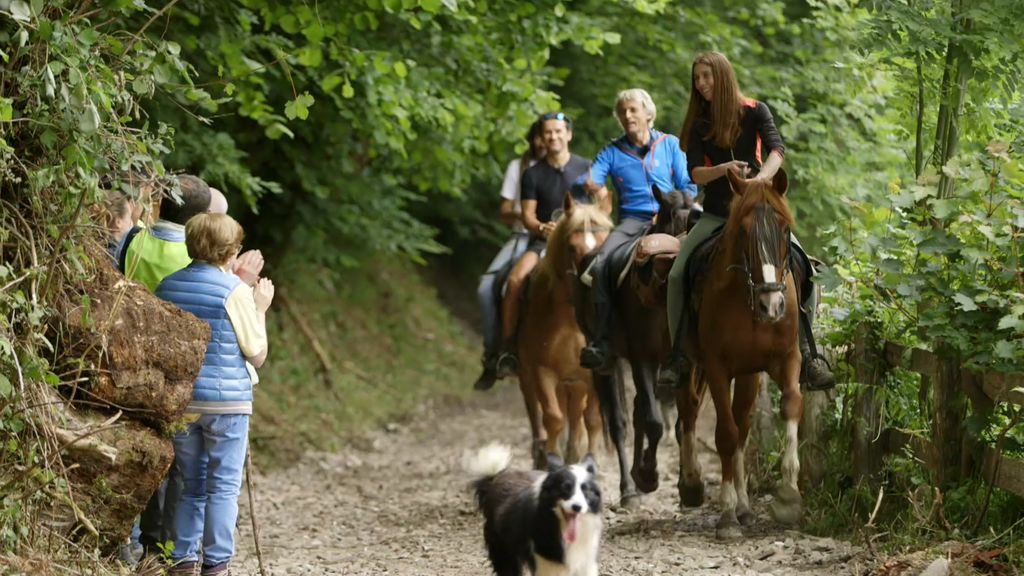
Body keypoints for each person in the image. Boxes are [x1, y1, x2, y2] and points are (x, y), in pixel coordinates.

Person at [665, 51, 834, 389]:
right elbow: (696, 174)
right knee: (676, 274)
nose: (700, 84)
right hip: (716, 215)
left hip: (759, 212)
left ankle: (808, 353)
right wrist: (725, 170)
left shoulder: (756, 111)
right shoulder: (698, 124)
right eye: (696, 78)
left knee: (805, 268)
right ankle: (679, 357)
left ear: (723, 77)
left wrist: (761, 180)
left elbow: (777, 150)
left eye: (706, 76)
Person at [155, 213, 274, 576]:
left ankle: (183, 559)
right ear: (231, 251)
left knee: (190, 482)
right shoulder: (234, 292)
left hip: (184, 400)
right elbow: (257, 353)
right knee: (222, 486)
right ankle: (217, 564)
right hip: (228, 403)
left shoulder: (167, 285)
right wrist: (260, 308)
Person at [578, 88, 698, 372]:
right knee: (600, 264)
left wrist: (677, 205)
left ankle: (701, 331)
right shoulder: (611, 150)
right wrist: (594, 186)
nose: (627, 115)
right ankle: (602, 340)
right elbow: (593, 177)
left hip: (672, 216)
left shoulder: (670, 144)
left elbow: (689, 183)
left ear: (648, 113)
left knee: (704, 254)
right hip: (632, 220)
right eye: (622, 111)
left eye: (633, 109)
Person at [497, 112, 592, 372]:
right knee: (515, 280)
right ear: (542, 137)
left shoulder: (586, 168)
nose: (554, 136)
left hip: (581, 243)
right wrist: (541, 227)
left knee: (607, 277)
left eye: (559, 131)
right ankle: (508, 348)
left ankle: (610, 342)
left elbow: (599, 206)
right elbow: (527, 216)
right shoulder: (532, 174)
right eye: (548, 132)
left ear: (568, 134)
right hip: (543, 243)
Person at [472, 120, 546, 391]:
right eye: (538, 137)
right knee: (486, 288)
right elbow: (503, 211)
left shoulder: (566, 168)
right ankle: (494, 352)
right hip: (522, 236)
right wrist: (528, 214)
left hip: (556, 238)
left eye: (546, 137)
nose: (542, 142)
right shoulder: (520, 167)